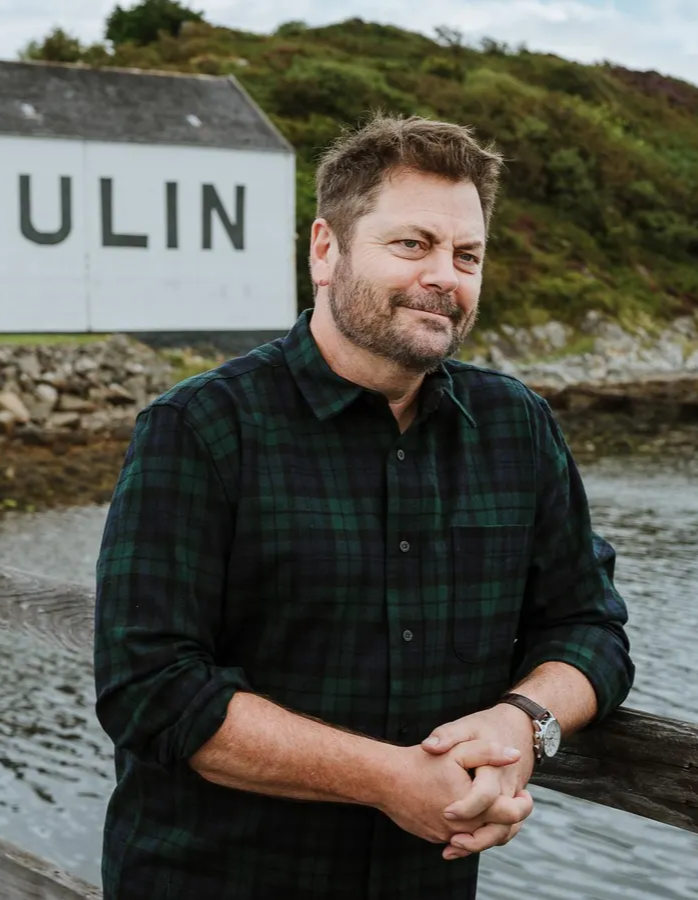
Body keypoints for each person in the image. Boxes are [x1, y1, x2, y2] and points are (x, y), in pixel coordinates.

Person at [93, 114, 635, 899]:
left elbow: (589, 625)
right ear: (325, 249)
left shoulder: (517, 427)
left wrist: (523, 721)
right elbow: (151, 686)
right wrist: (390, 779)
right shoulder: (201, 428)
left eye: (467, 254)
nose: (444, 276)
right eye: (411, 244)